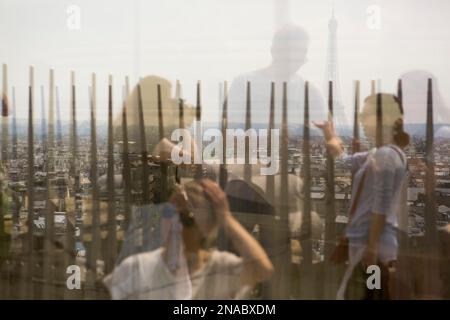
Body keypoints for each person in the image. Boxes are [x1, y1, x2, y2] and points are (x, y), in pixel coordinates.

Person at [103, 179, 274, 299]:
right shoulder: (137, 268)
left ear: (207, 229)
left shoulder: (220, 267)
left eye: (186, 219)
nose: (174, 224)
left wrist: (226, 218)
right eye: (168, 213)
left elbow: (263, 270)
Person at [314, 93, 409, 300]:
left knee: (368, 294)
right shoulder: (382, 153)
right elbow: (344, 161)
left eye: (364, 115)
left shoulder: (384, 155)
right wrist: (330, 135)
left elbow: (381, 205)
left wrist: (372, 248)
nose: (361, 121)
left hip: (372, 248)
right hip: (369, 245)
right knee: (367, 294)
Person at [227, 24, 327, 129]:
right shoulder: (242, 83)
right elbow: (231, 128)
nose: (294, 56)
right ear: (274, 50)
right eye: (289, 50)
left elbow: (325, 136)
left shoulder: (312, 92)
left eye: (299, 50)